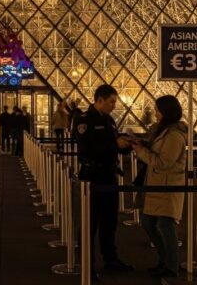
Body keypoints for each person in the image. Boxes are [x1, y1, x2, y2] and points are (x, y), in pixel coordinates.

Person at [77, 84, 135, 279]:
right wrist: (114, 144)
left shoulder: (109, 120)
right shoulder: (84, 120)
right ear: (99, 100)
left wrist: (127, 145)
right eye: (111, 101)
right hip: (92, 177)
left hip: (109, 176)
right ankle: (87, 263)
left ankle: (110, 258)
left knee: (110, 221)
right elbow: (87, 149)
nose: (114, 105)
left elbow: (113, 147)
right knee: (90, 223)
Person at [131, 95, 187, 279]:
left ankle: (171, 266)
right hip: (156, 185)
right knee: (148, 222)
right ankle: (164, 260)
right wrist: (143, 145)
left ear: (165, 112)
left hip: (167, 186)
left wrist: (141, 151)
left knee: (165, 225)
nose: (154, 113)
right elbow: (158, 152)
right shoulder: (163, 131)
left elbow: (163, 162)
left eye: (157, 110)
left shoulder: (175, 135)